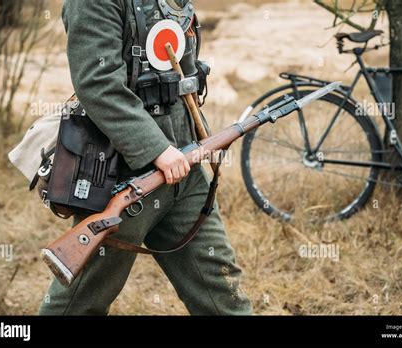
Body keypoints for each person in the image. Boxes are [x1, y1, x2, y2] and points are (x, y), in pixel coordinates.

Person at [39, 0, 252, 315]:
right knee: (78, 305)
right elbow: (97, 83)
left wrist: (201, 138)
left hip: (184, 170)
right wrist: (155, 149)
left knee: (223, 295)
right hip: (121, 178)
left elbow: (184, 70)